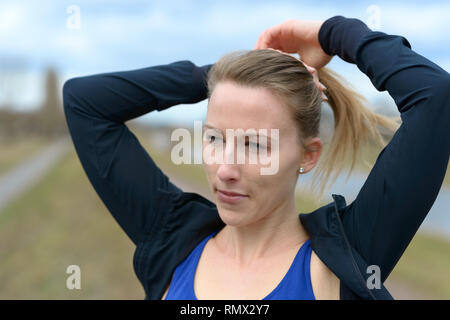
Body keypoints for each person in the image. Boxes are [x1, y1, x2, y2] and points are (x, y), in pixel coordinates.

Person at [62, 15, 450, 300]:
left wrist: (331, 34)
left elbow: (434, 94)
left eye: (255, 145)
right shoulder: (173, 239)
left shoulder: (348, 258)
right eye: (215, 138)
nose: (226, 169)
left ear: (308, 155)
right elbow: (85, 101)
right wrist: (228, 75)